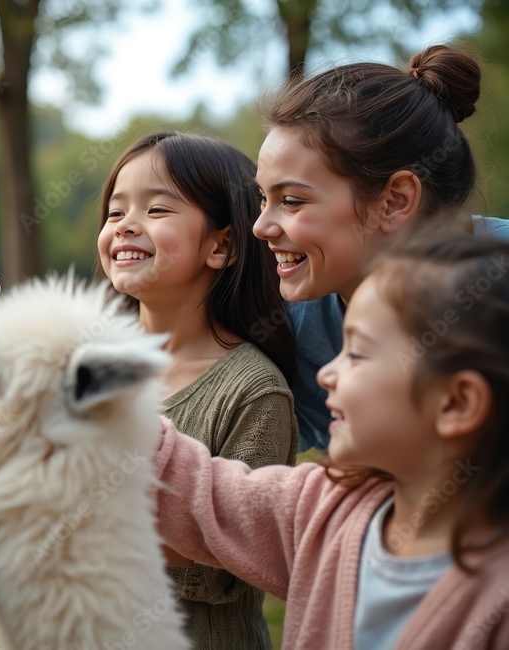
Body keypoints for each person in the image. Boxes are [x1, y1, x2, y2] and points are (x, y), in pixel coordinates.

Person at [155, 232, 509, 649]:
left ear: (457, 402)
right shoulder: (322, 507)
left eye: (356, 353)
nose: (325, 373)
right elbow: (202, 495)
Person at [251, 43, 509, 452]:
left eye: (292, 201)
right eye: (263, 198)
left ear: (395, 201)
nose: (260, 226)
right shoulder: (297, 326)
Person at [97, 131, 298, 649]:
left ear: (222, 244)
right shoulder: (85, 364)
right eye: (116, 213)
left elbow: (231, 555)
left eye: (158, 210)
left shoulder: (253, 391)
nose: (126, 226)